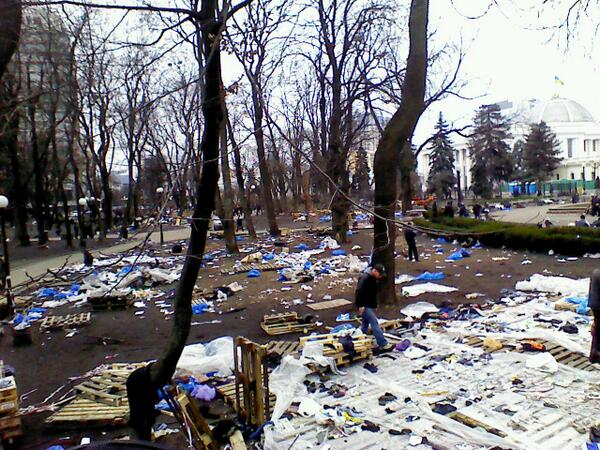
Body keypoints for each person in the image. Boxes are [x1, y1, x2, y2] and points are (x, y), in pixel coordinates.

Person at [355, 264, 392, 351]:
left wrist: (374, 305)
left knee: (365, 323)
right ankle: (383, 343)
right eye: (380, 274)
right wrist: (360, 305)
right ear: (374, 271)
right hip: (364, 305)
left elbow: (372, 293)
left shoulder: (373, 278)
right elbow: (359, 292)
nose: (380, 276)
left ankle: (360, 338)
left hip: (368, 304)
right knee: (374, 322)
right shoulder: (365, 278)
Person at [589, 269, 600, 363]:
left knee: (597, 328)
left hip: (594, 305)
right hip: (597, 304)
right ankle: (596, 354)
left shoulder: (596, 272)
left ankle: (594, 356)